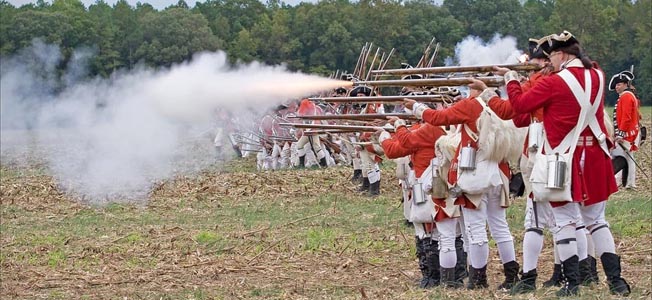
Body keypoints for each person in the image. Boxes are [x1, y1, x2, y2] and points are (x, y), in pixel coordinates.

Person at [488, 30, 630, 297]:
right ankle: (617, 281)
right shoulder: (598, 74)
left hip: (563, 160)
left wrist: (510, 78)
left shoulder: (554, 83)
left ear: (562, 54)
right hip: (596, 158)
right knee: (597, 221)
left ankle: (572, 284)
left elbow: (518, 105)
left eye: (552, 55)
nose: (549, 61)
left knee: (564, 221)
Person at [404, 84, 521, 291]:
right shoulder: (500, 105)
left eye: (470, 90)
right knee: (500, 228)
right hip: (499, 172)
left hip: (475, 173)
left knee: (475, 230)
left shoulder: (472, 105)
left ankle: (478, 280)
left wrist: (417, 107)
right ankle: (511, 276)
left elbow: (437, 118)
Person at [609, 70, 641, 189]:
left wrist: (621, 134)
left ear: (625, 84)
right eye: (616, 85)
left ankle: (629, 183)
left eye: (619, 84)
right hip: (627, 132)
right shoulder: (626, 96)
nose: (616, 87)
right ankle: (627, 182)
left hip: (627, 133)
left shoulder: (627, 96)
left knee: (626, 157)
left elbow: (626, 117)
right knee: (627, 157)